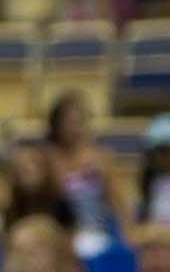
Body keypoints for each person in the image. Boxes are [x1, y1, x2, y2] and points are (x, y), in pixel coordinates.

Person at [47, 92, 132, 256]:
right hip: (60, 232)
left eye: (80, 122)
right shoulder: (48, 158)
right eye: (70, 123)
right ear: (57, 125)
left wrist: (128, 231)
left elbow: (119, 201)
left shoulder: (101, 157)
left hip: (95, 231)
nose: (76, 129)